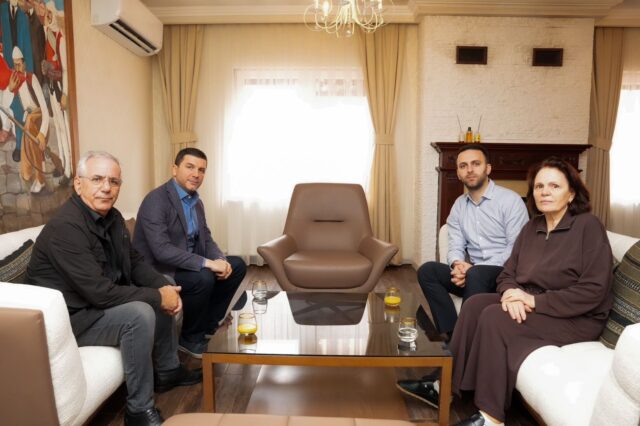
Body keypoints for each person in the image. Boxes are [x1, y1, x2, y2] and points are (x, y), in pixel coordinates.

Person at [404, 157, 614, 426]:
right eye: (539, 186)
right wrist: (510, 293)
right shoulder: (532, 227)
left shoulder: (587, 226)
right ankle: (442, 387)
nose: (545, 192)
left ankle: (491, 417)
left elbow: (594, 290)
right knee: (475, 305)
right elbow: (507, 273)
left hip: (576, 316)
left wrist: (532, 300)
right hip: (530, 302)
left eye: (554, 186)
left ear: (571, 193)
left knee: (494, 317)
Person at [26, 151, 202, 426]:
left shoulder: (113, 217)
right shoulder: (66, 228)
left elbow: (135, 261)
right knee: (139, 314)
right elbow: (100, 292)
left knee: (165, 284)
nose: (106, 187)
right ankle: (138, 410)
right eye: (97, 179)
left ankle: (168, 370)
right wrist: (157, 296)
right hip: (71, 320)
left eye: (114, 181)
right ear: (78, 184)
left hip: (92, 306)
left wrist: (162, 287)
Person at [133, 147, 247, 359]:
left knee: (237, 265)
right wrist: (207, 263)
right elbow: (162, 250)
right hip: (161, 270)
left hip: (187, 264)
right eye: (190, 167)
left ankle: (209, 326)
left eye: (201, 170)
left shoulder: (196, 202)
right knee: (203, 276)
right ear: (174, 169)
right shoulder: (156, 200)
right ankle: (189, 338)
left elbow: (206, 238)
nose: (196, 174)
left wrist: (220, 259)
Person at [419, 144, 528, 341]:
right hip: (473, 275)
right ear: (458, 173)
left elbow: (516, 249)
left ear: (488, 168)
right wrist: (457, 266)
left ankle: (466, 340)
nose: (469, 170)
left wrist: (473, 269)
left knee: (477, 273)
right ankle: (453, 335)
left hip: (505, 275)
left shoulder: (510, 201)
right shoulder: (459, 205)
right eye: (463, 166)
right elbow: (455, 244)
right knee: (427, 271)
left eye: (476, 164)